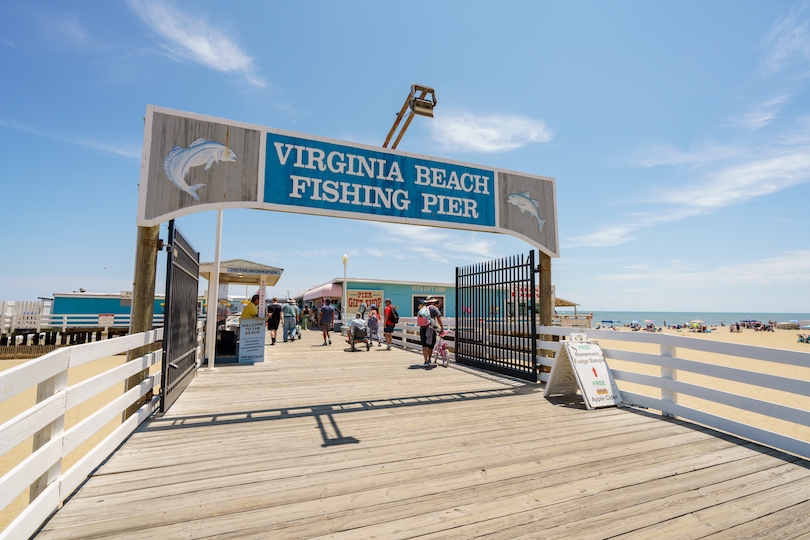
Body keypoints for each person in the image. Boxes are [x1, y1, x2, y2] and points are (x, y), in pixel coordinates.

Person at [417, 296, 443, 368]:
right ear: (433, 302)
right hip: (431, 328)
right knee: (430, 345)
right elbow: (439, 318)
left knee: (424, 345)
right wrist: (441, 328)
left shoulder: (423, 308)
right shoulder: (434, 308)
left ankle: (425, 361)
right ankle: (429, 360)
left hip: (422, 328)